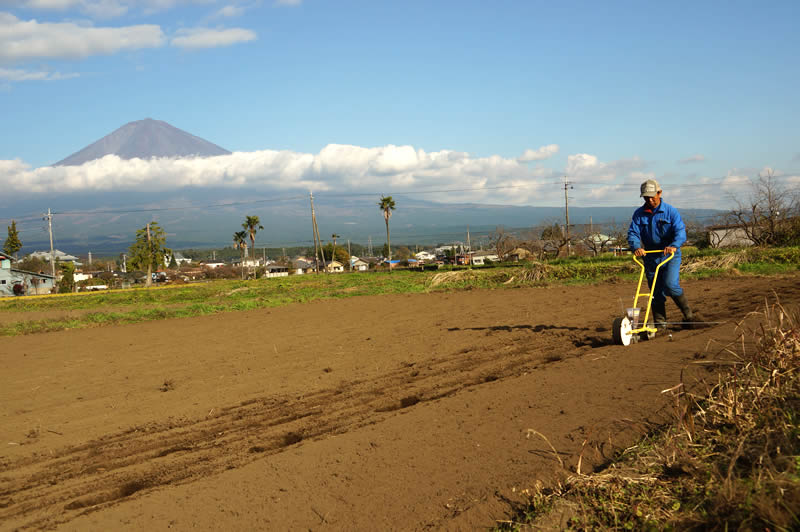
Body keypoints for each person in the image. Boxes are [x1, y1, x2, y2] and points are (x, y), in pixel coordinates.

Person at [627, 179, 693, 329]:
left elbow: (680, 231)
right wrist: (636, 247)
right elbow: (633, 233)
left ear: (659, 193)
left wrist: (674, 245)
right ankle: (660, 324)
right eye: (646, 197)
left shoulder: (670, 211)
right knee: (655, 292)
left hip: (670, 255)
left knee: (670, 285)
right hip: (650, 256)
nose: (650, 200)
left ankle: (689, 315)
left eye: (652, 196)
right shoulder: (639, 214)